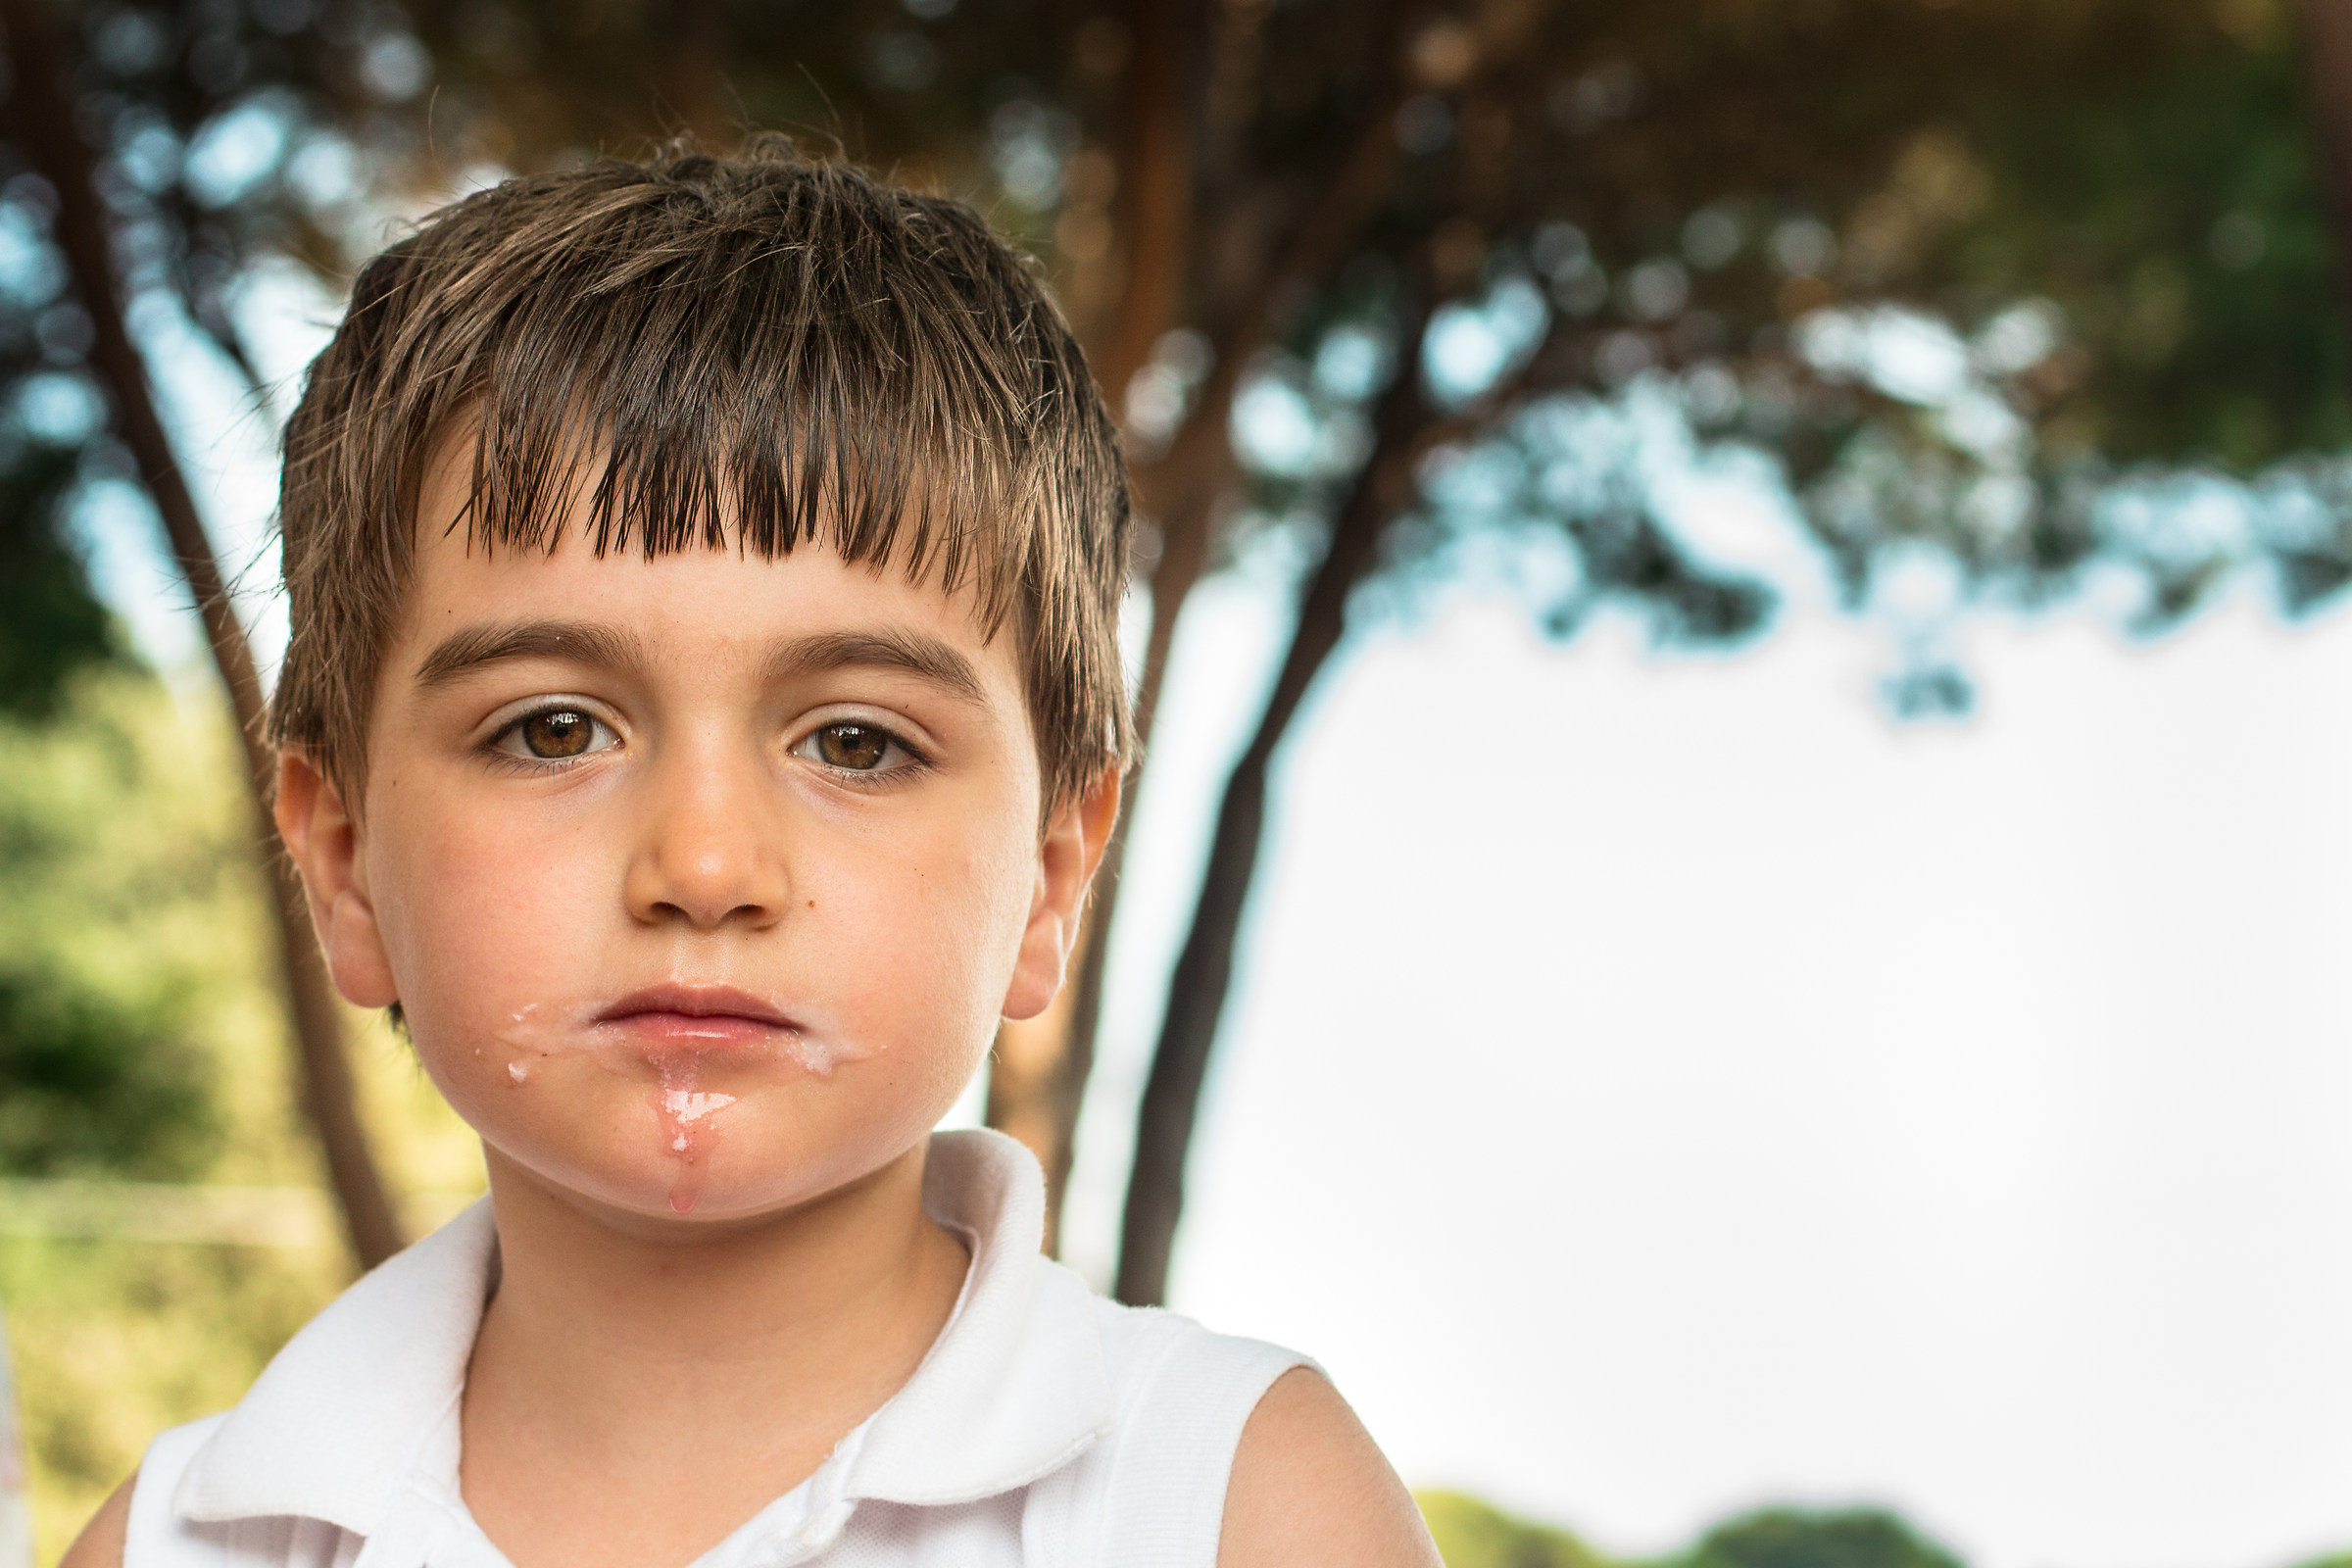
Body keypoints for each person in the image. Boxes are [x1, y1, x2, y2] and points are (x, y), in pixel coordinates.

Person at [61, 137, 1441, 1568]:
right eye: (551, 731)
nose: (706, 866)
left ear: (1048, 878)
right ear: (344, 864)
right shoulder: (171, 1545)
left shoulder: (1232, 1504)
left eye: (856, 742)